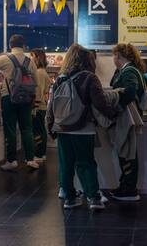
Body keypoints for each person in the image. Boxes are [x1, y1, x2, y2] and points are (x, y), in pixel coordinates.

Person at [46, 44, 117, 210]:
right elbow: (100, 103)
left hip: (62, 128)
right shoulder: (89, 78)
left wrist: (50, 128)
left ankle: (70, 199)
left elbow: (51, 107)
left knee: (66, 164)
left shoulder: (60, 78)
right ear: (88, 60)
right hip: (84, 129)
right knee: (86, 163)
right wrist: (113, 115)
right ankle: (93, 198)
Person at [0, 34, 40, 170]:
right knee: (27, 128)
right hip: (26, 98)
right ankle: (30, 159)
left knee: (10, 129)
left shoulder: (5, 59)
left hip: (9, 97)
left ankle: (12, 160)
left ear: (10, 45)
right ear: (24, 46)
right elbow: (35, 82)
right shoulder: (30, 61)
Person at [109, 43, 146, 201]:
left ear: (118, 55)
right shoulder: (129, 70)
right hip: (129, 116)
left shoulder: (129, 71)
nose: (113, 58)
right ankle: (125, 185)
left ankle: (130, 189)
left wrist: (117, 107)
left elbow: (130, 91)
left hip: (128, 116)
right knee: (126, 151)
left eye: (114, 55)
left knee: (127, 152)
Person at [30, 48, 51, 162]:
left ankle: (39, 154)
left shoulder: (39, 73)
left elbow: (38, 91)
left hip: (39, 107)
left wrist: (34, 108)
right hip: (42, 106)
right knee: (40, 129)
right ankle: (41, 153)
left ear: (38, 58)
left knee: (37, 131)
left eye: (32, 56)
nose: (31, 59)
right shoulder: (42, 72)